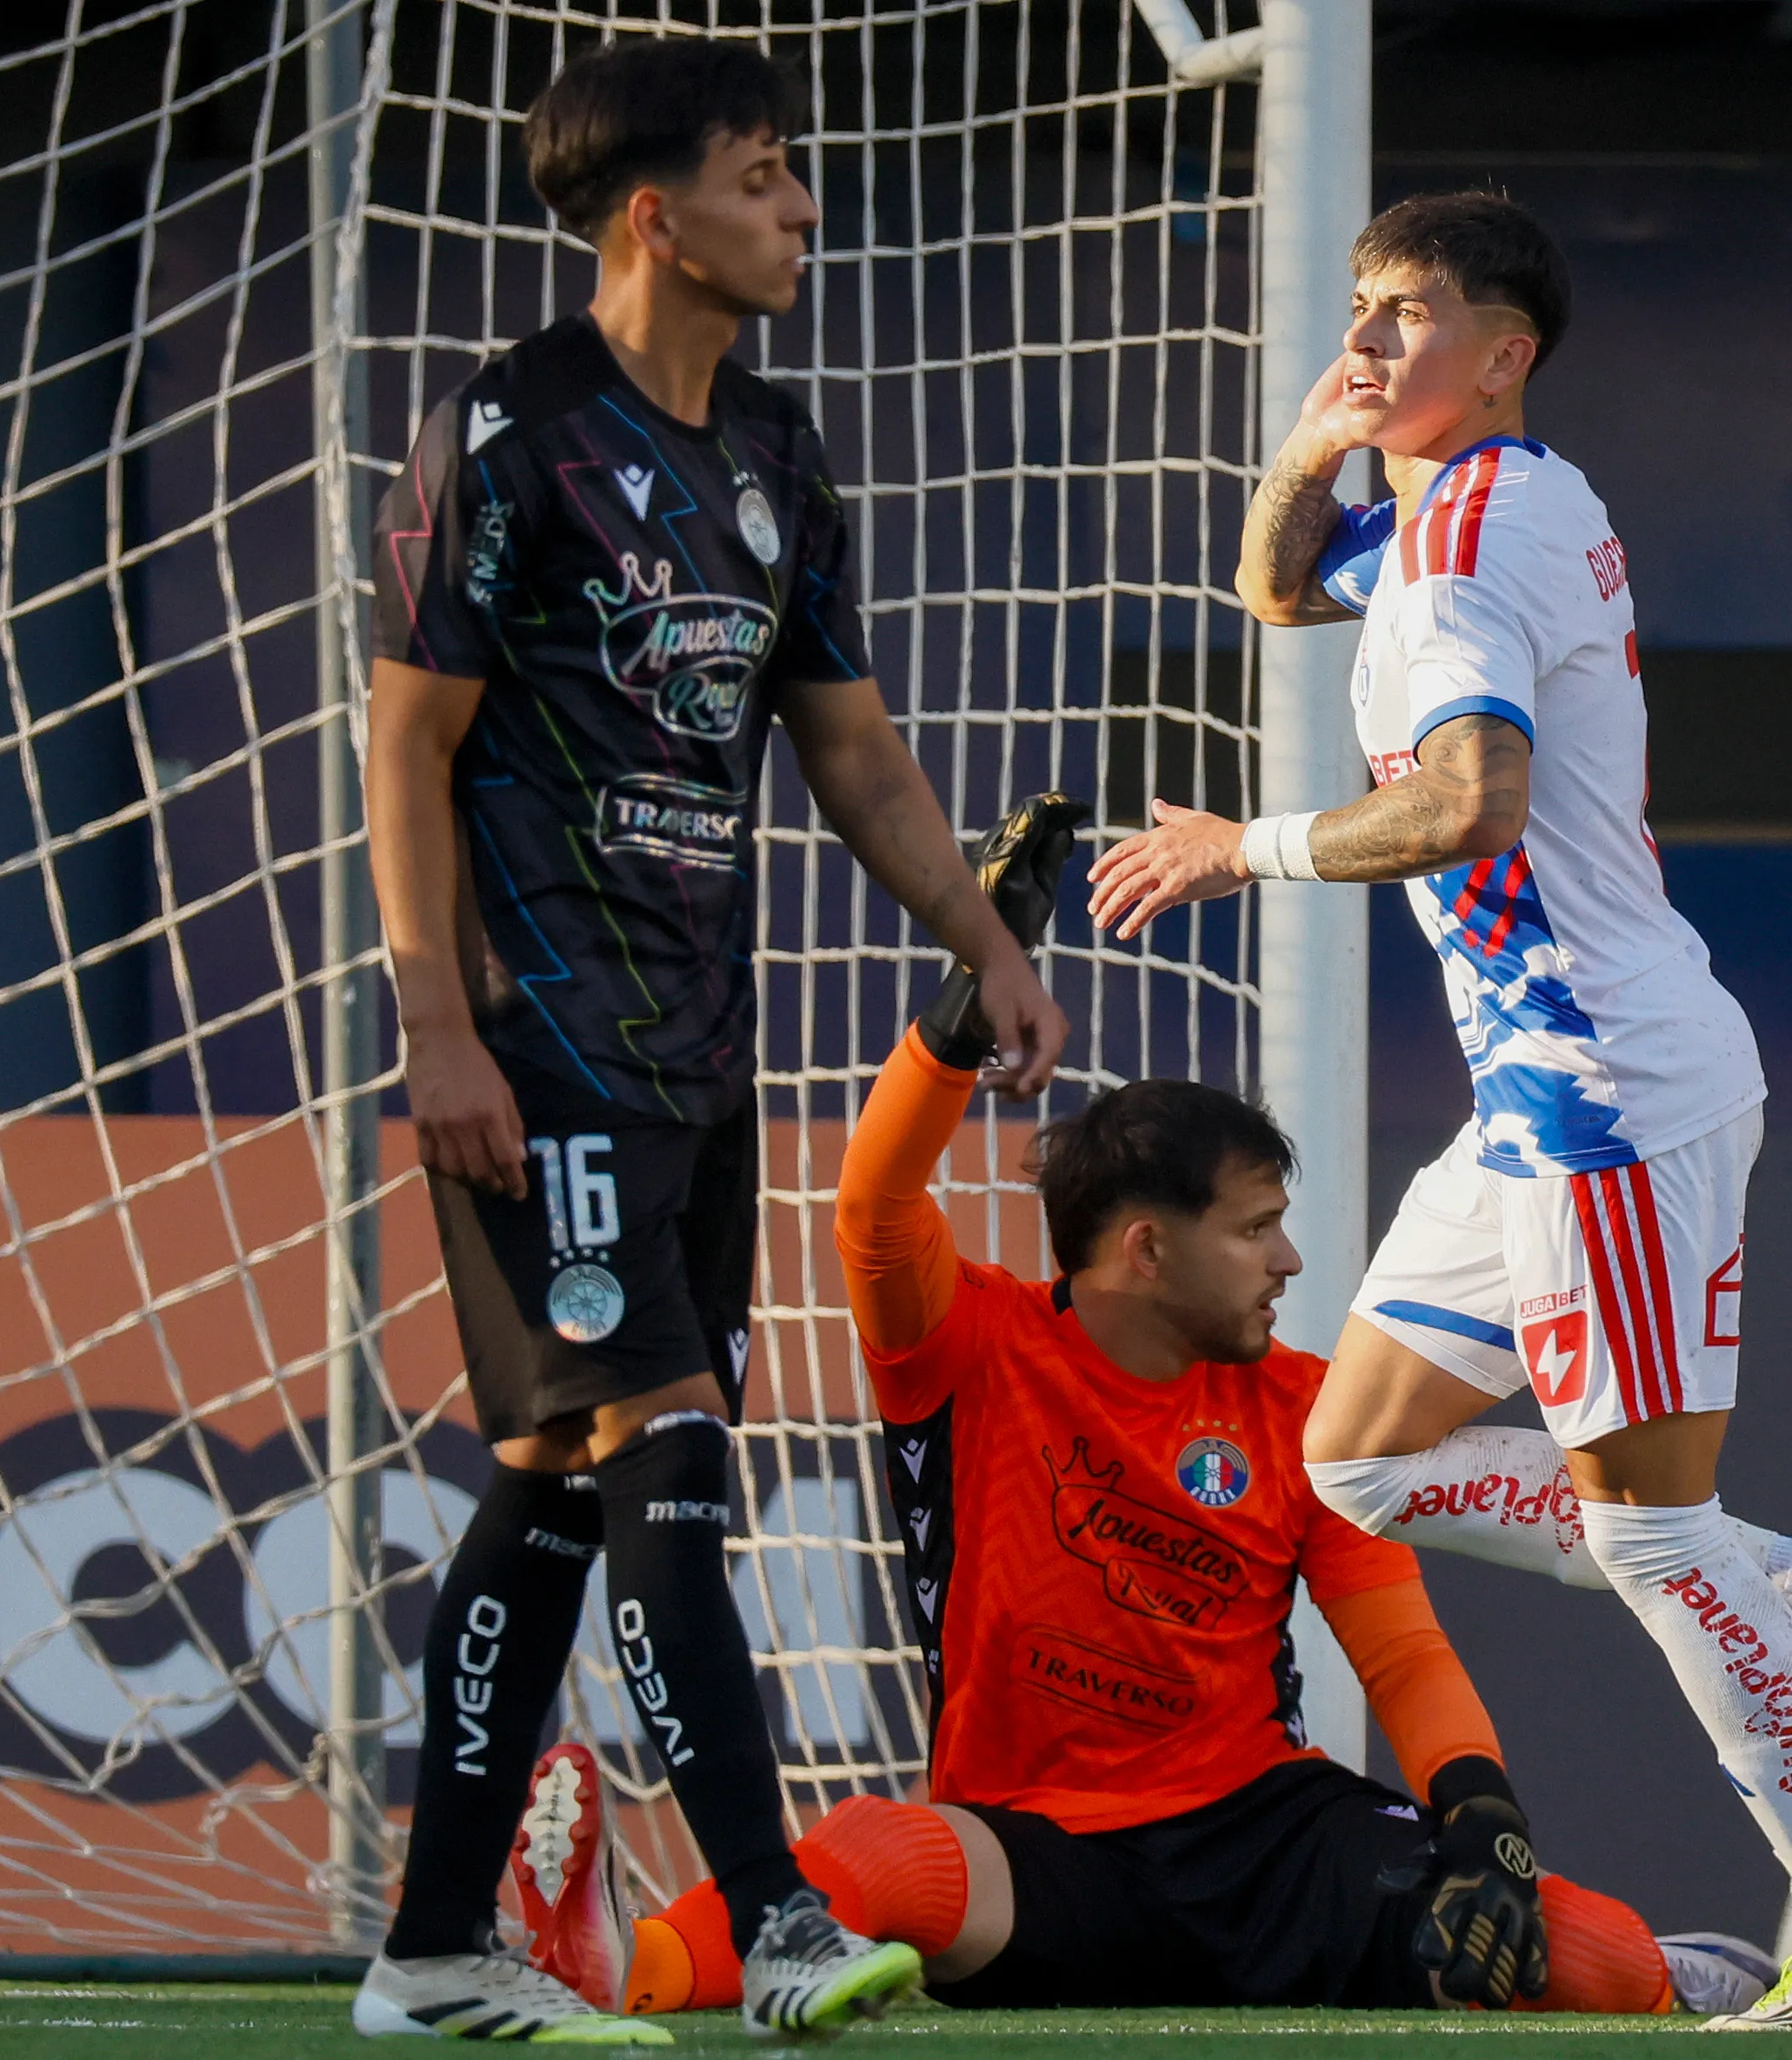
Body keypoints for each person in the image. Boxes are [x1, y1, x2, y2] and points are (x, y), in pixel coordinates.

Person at [1083, 190, 1792, 2029]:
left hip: (1609, 1094)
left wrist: (1243, 843)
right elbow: (1267, 586)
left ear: (1507, 353)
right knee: (1360, 1457)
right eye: (1360, 310)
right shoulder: (1461, 504)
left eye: (1411, 316)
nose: (1372, 340)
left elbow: (1470, 801)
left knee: (1645, 1532)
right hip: (1532, 1101)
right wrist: (1317, 439)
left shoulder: (1470, 534)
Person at [506, 797, 1783, 2025]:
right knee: (875, 1857)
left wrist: (1480, 1815)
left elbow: (1397, 1651)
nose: (1288, 1264)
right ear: (1142, 1250)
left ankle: (1665, 1973)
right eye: (1255, 1230)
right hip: (1031, 1847)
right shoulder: (971, 1348)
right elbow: (872, 1209)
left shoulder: (1304, 1409)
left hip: (1264, 1835)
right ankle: (628, 1964)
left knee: (1565, 1950)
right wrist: (965, 997)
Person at [358, 37, 1067, 2043]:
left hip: (696, 1046)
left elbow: (846, 744)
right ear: (656, 212)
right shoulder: (504, 432)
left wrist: (977, 932)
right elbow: (407, 739)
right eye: (769, 176)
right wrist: (440, 1031)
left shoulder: (776, 446)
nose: (805, 208)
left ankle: (426, 1950)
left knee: (551, 1485)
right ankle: (769, 1914)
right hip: (533, 1034)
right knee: (671, 1450)